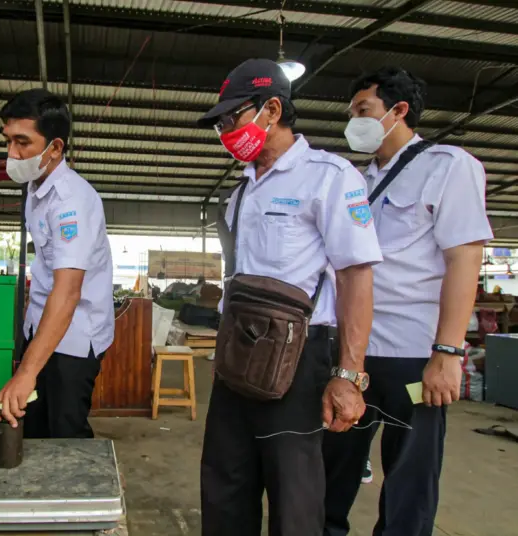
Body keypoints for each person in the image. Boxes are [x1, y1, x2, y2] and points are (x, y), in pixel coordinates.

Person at [197, 58, 383, 536]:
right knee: (225, 484)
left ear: (272, 109)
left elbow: (356, 276)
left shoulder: (330, 177)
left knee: (294, 494)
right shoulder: (241, 192)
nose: (224, 130)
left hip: (297, 362)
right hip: (236, 354)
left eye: (231, 117)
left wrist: (348, 374)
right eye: (220, 122)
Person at [323, 67, 493, 536]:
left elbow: (464, 260)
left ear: (399, 112)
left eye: (363, 111)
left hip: (416, 359)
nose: (353, 122)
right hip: (355, 357)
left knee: (409, 479)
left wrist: (448, 353)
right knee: (331, 470)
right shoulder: (358, 179)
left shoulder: (447, 165)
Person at [0, 89, 114, 439]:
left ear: (55, 148)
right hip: (41, 326)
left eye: (22, 142)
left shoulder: (72, 201)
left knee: (65, 433)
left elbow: (68, 291)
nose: (12, 153)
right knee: (36, 426)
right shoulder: (34, 187)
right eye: (8, 141)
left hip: (73, 337)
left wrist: (26, 372)